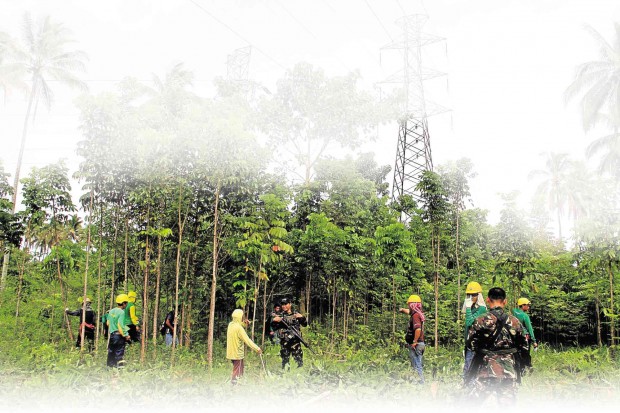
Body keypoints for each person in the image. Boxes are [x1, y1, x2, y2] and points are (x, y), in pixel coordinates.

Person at [465, 287, 528, 404]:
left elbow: (470, 343)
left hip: (486, 369)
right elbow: (524, 346)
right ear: (505, 301)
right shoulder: (515, 321)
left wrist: (485, 350)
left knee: (473, 405)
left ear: (488, 300)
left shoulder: (481, 320)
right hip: (508, 371)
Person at [226, 309, 262, 384]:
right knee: (237, 372)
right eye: (242, 316)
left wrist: (245, 324)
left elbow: (239, 324)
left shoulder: (231, 324)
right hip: (237, 354)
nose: (243, 317)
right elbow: (247, 340)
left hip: (231, 353)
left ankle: (238, 385)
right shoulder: (239, 328)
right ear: (239, 317)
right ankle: (233, 388)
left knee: (239, 370)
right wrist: (257, 348)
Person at [271, 297, 307, 369]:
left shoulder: (296, 315)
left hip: (295, 342)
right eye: (282, 304)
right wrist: (274, 321)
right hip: (285, 343)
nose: (284, 306)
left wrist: (302, 317)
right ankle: (285, 377)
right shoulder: (280, 317)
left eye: (285, 304)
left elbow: (305, 324)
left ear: (290, 304)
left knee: (299, 362)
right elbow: (274, 328)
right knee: (285, 363)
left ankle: (299, 376)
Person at [398, 294, 426, 384]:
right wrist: (402, 310)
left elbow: (418, 329)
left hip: (417, 344)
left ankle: (420, 383)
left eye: (409, 305)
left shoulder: (415, 316)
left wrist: (414, 341)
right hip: (421, 344)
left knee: (417, 365)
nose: (408, 307)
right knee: (417, 363)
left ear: (412, 305)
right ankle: (417, 382)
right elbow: (408, 312)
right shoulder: (417, 313)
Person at [463, 281, 487, 380]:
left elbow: (470, 322)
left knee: (470, 369)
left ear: (478, 296)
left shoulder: (481, 309)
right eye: (469, 295)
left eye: (474, 295)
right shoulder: (471, 308)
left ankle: (469, 389)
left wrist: (468, 308)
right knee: (467, 367)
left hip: (475, 344)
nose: (471, 297)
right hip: (469, 343)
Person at [512, 297, 537, 372]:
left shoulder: (513, 311)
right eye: (527, 305)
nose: (528, 307)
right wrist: (534, 341)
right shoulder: (525, 316)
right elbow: (529, 328)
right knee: (525, 352)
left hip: (515, 336)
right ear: (522, 306)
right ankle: (526, 367)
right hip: (525, 337)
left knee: (517, 352)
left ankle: (519, 368)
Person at [107, 293, 131, 367]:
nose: (126, 304)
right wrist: (126, 335)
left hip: (112, 335)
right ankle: (119, 370)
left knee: (111, 352)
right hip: (118, 336)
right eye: (126, 303)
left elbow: (108, 323)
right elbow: (120, 325)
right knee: (119, 353)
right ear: (123, 303)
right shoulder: (121, 312)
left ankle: (110, 369)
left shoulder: (111, 311)